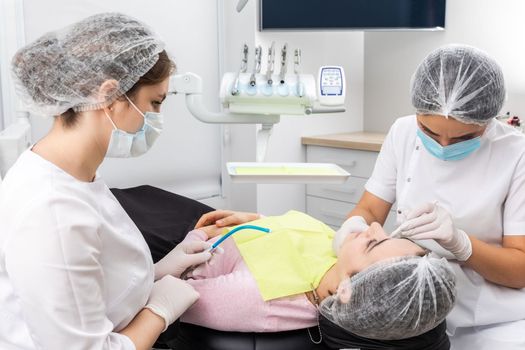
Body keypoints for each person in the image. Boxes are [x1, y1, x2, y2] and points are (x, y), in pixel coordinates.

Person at [0, 13, 214, 350]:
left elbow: (86, 280)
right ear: (110, 95)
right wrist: (159, 309)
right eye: (154, 103)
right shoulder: (52, 211)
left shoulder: (71, 171)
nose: (157, 118)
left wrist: (155, 273)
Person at [330, 44, 525, 349]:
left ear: (490, 119)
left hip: (492, 320)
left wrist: (462, 244)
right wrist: (352, 234)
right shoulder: (402, 132)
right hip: (408, 312)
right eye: (430, 132)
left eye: (463, 137)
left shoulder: (517, 154)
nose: (445, 146)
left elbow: (520, 269)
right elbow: (369, 208)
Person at [176, 211, 456, 349]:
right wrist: (258, 222)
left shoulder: (260, 298)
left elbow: (171, 295)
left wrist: (198, 238)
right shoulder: (337, 256)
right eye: (388, 236)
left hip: (184, 245)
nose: (374, 226)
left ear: (347, 289)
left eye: (373, 244)